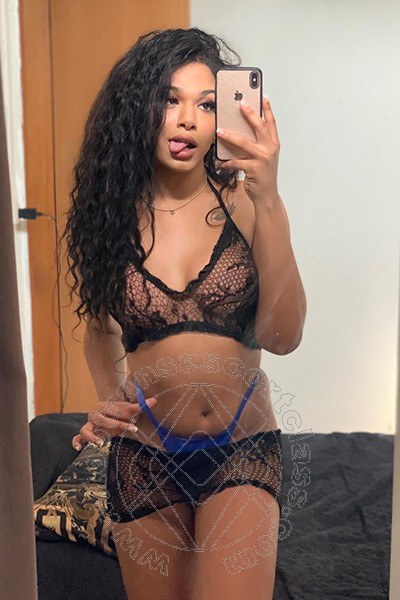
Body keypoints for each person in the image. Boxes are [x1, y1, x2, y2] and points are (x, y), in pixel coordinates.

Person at [64, 27, 306, 600]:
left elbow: (284, 336)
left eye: (207, 104)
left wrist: (269, 197)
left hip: (242, 448)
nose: (188, 120)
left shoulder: (247, 205)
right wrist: (108, 399)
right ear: (137, 108)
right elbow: (99, 329)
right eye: (170, 100)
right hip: (144, 456)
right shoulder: (107, 216)